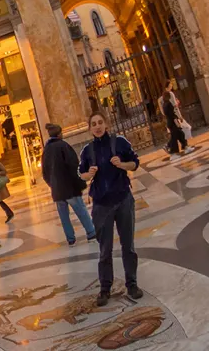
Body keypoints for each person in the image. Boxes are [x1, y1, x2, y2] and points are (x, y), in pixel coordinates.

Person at [79, 112, 143, 306]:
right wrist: (88, 174)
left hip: (123, 199)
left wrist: (121, 164)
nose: (97, 126)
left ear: (106, 124)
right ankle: (105, 288)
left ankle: (131, 283)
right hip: (101, 205)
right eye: (93, 124)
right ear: (90, 128)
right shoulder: (87, 151)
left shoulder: (120, 142)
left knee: (128, 245)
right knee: (104, 249)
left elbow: (135, 164)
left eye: (100, 123)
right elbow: (81, 175)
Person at [40, 123, 96, 245]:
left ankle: (70, 239)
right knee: (81, 210)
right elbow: (74, 166)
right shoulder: (64, 146)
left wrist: (52, 185)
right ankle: (91, 233)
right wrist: (80, 183)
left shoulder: (46, 151)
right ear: (59, 134)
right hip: (69, 188)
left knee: (64, 216)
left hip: (57, 191)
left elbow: (44, 172)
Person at [160, 85, 192, 155]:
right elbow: (172, 114)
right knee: (175, 137)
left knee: (180, 134)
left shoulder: (164, 105)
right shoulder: (169, 104)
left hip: (170, 123)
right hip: (173, 123)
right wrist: (177, 122)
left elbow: (167, 114)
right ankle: (173, 152)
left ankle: (185, 147)